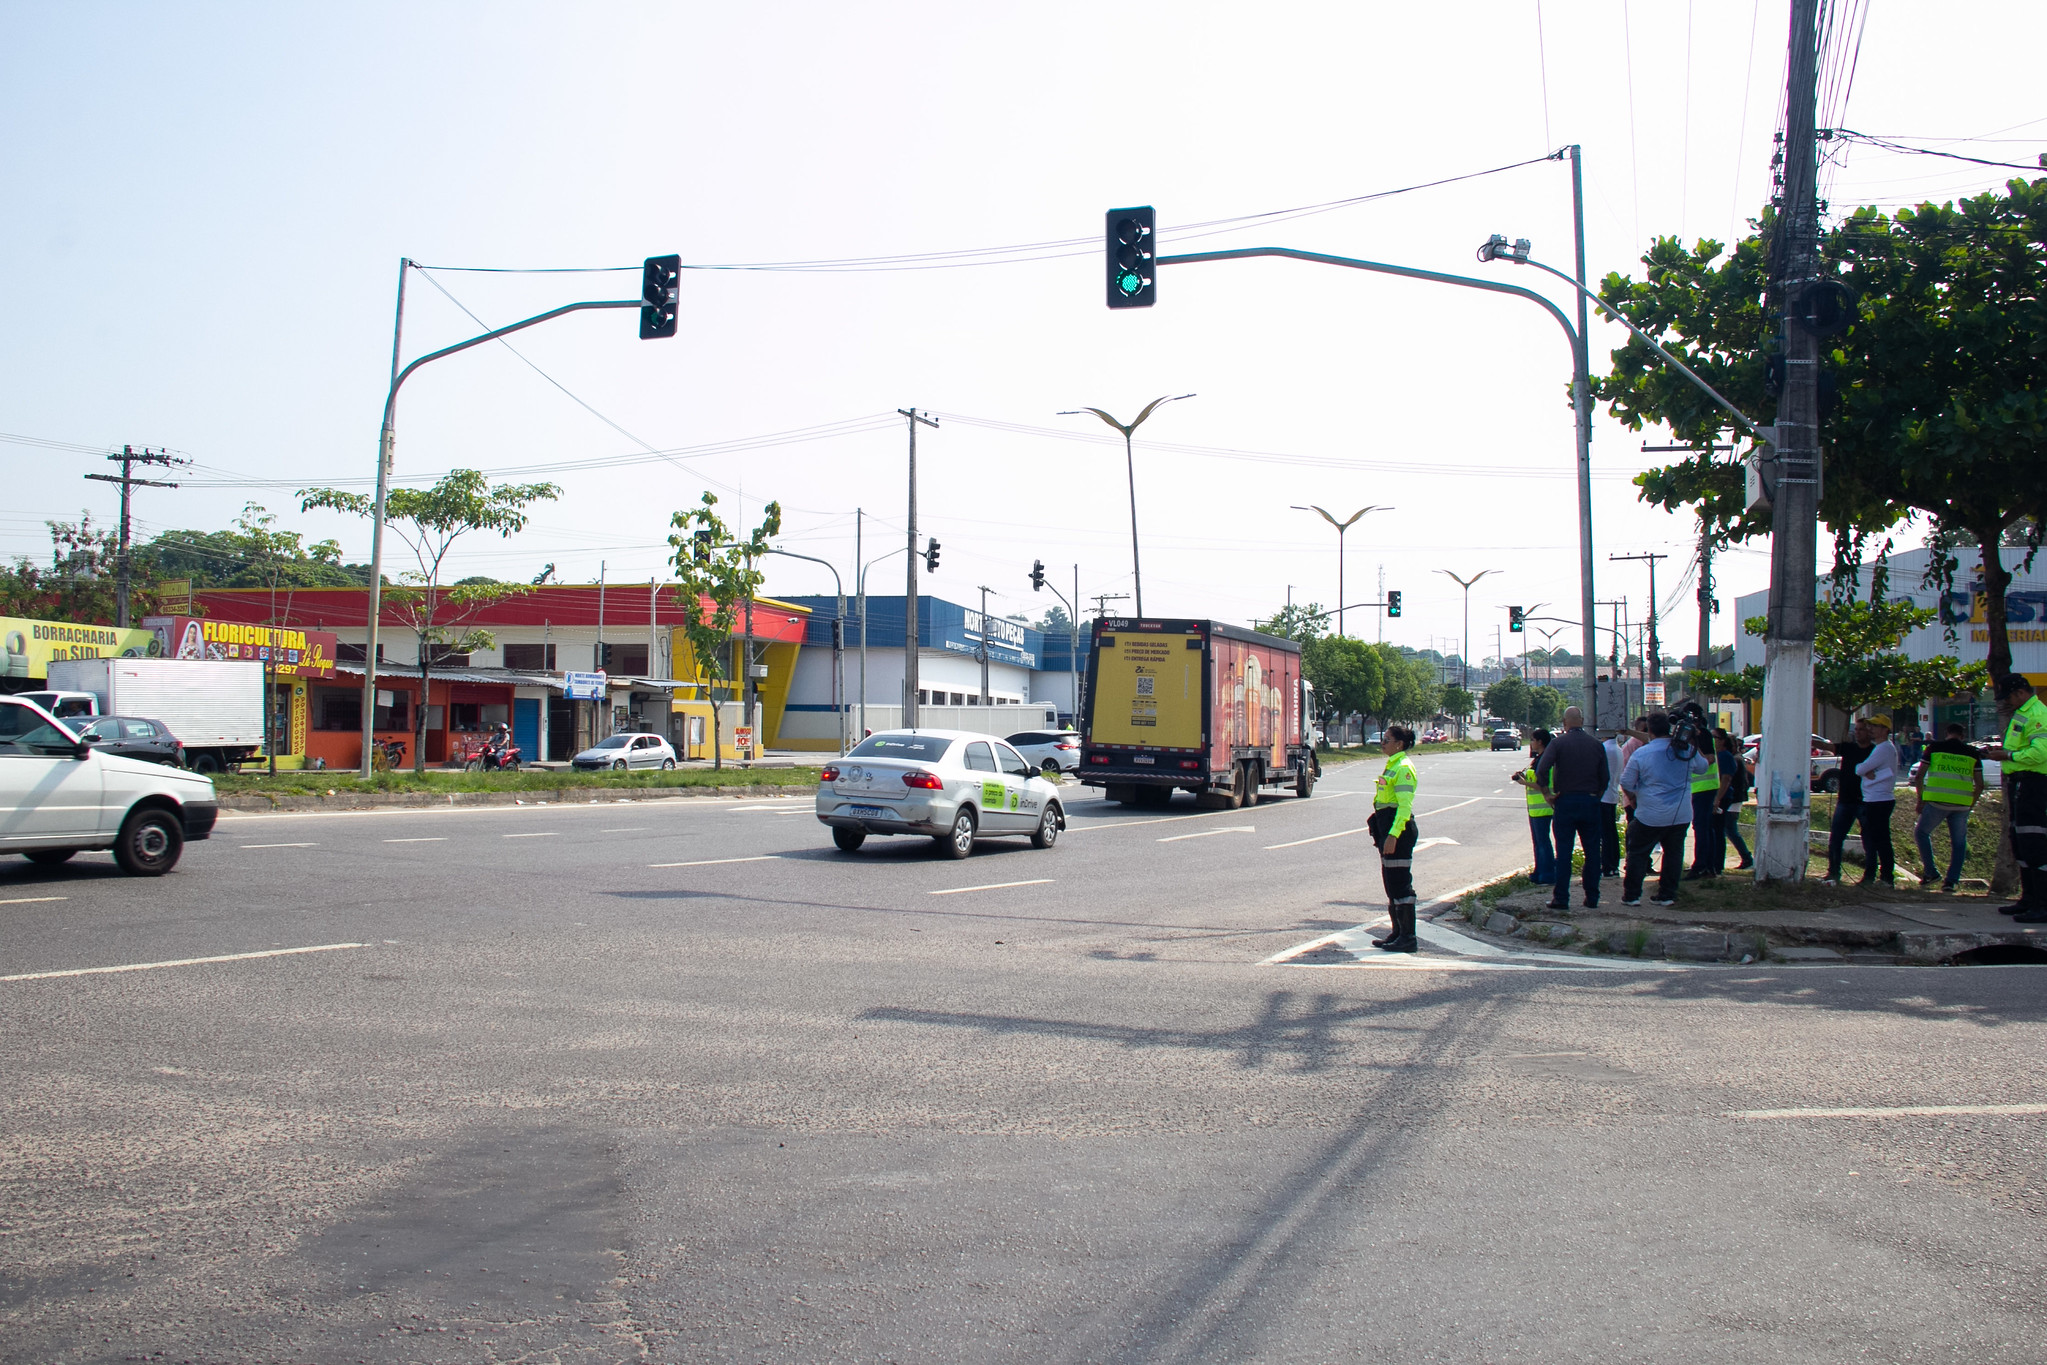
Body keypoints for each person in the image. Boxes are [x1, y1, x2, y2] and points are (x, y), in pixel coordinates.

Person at [1619, 712, 1712, 907]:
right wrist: (1693, 742)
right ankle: (1667, 894)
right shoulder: (1685, 750)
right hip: (1680, 814)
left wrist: (1634, 796)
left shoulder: (1642, 753)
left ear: (1649, 730)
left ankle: (1632, 895)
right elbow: (1703, 767)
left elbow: (1626, 781)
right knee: (1673, 854)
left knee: (1638, 853)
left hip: (1649, 813)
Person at [1983, 675, 2047, 921]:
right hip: (2019, 782)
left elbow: (2040, 753)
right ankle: (2029, 898)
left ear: (2021, 692)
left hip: (2035, 782)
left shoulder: (2038, 714)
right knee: (2019, 842)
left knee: (2034, 842)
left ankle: (2042, 903)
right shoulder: (2023, 712)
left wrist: (2007, 755)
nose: (2007, 702)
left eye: (2009, 696)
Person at [1535, 705, 1610, 910]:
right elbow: (1605, 778)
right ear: (1583, 720)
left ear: (1565, 723)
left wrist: (1547, 794)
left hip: (1565, 801)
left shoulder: (1559, 743)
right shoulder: (1596, 745)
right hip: (1590, 801)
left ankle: (1561, 897)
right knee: (1593, 851)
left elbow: (1542, 769)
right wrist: (1597, 795)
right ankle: (1592, 897)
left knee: (1564, 851)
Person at [1912, 722, 1984, 893]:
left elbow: (1919, 777)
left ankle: (1931, 872)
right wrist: (1970, 803)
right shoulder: (1973, 753)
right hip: (1962, 805)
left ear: (1947, 733)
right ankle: (1951, 882)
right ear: (1962, 736)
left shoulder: (1935, 748)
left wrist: (1920, 799)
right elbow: (1980, 785)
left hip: (1937, 802)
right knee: (1959, 844)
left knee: (1921, 833)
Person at [1370, 724, 1422, 952]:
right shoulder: (1392, 764)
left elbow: (1404, 806)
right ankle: (1398, 932)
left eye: (1387, 740)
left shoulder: (1403, 768)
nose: (1383, 743)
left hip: (1397, 831)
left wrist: (1393, 834)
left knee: (1401, 885)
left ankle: (1408, 937)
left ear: (1399, 744)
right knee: (1391, 884)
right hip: (1386, 828)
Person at [1819, 719, 1874, 884]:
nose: (1857, 733)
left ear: (1869, 732)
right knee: (1836, 838)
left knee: (1869, 840)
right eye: (1856, 729)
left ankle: (1870, 875)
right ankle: (1833, 872)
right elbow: (1829, 747)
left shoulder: (1875, 751)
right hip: (1845, 800)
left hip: (1865, 800)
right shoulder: (1849, 748)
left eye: (1861, 730)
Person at [1853, 715, 1901, 886]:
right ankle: (1883, 874)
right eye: (1871, 726)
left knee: (1880, 839)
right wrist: (1867, 772)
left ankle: (1887, 876)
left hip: (1878, 800)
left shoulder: (1884, 748)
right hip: (1876, 798)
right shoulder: (1883, 748)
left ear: (1885, 729)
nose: (1871, 729)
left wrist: (1865, 772)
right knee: (1877, 838)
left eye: (1876, 726)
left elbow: (1860, 768)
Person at [1686, 721, 1732, 880]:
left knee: (1703, 829)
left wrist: (1693, 745)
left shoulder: (1703, 735)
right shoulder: (1699, 735)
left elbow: (1709, 759)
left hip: (1704, 789)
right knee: (1705, 828)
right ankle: (1708, 865)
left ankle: (1702, 866)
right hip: (1701, 789)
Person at [1512, 729, 1555, 888]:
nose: (1531, 743)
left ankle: (1547, 874)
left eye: (1533, 740)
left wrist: (1524, 783)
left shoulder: (1546, 760)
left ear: (1540, 742)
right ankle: (1539, 872)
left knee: (1543, 842)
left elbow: (1542, 785)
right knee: (1538, 842)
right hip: (1535, 808)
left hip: (1544, 807)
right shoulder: (1538, 759)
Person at [1716, 730, 1754, 871]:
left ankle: (1747, 857)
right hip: (1735, 799)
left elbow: (1729, 780)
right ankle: (1746, 857)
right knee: (1729, 830)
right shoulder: (1737, 758)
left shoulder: (1734, 759)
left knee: (1730, 830)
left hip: (1734, 799)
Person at [1600, 727, 1628, 877]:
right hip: (1611, 794)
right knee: (1610, 832)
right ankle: (1612, 865)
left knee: (1605, 833)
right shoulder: (1616, 748)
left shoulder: (1605, 749)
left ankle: (1607, 865)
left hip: (1603, 795)